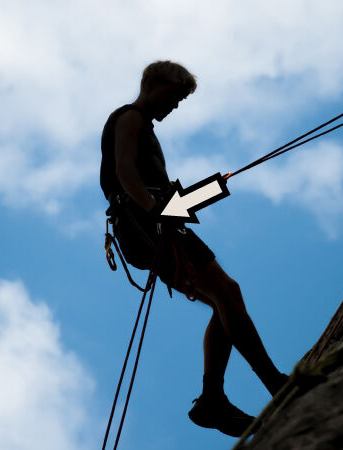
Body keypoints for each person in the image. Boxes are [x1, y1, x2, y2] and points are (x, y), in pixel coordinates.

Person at [100, 60, 288, 437]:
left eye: (180, 101)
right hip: (149, 226)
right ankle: (272, 383)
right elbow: (124, 172)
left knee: (225, 301)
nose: (175, 106)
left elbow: (137, 178)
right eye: (173, 96)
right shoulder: (129, 118)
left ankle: (212, 401)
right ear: (152, 84)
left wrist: (178, 199)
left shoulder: (143, 127)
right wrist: (157, 210)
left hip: (150, 225)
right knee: (228, 293)